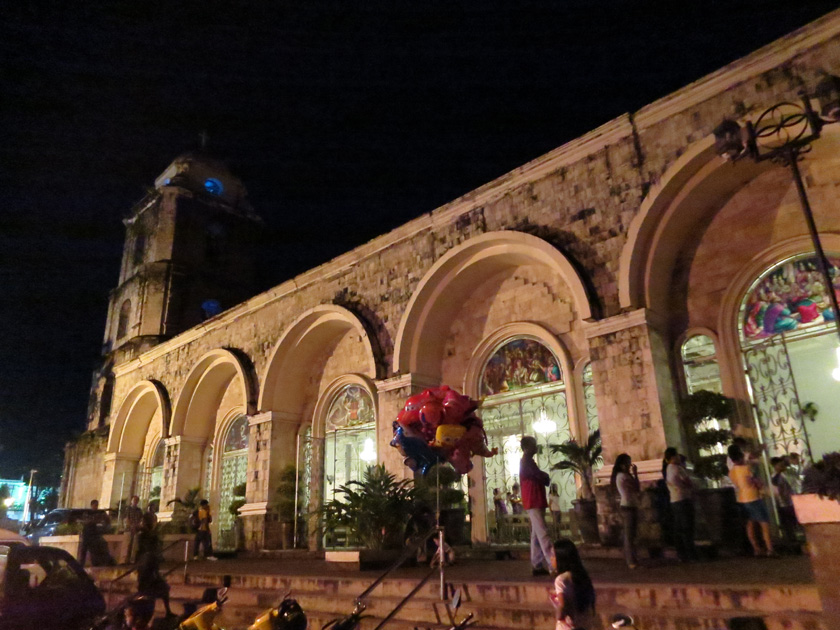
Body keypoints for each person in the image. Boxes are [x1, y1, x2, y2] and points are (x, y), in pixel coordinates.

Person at [520, 435, 557, 577]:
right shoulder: (526, 462)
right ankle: (553, 564)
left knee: (536, 535)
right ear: (526, 448)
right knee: (543, 534)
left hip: (535, 500)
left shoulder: (528, 462)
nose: (536, 447)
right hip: (533, 500)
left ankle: (537, 564)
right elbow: (538, 475)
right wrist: (545, 476)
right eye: (533, 445)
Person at [729, 446, 775, 557]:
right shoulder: (747, 469)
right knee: (764, 523)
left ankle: (756, 548)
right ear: (740, 456)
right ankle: (770, 549)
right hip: (753, 497)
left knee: (750, 524)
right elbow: (755, 482)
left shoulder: (732, 472)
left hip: (742, 499)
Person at [548, 539, 596, 630]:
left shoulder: (560, 580)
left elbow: (562, 607)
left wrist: (558, 610)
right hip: (584, 624)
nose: (551, 558)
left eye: (553, 555)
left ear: (561, 558)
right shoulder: (582, 576)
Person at [664, 448, 697, 562]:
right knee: (687, 528)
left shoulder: (668, 468)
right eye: (677, 455)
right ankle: (691, 554)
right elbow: (689, 482)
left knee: (679, 528)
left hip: (674, 500)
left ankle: (681, 554)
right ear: (673, 457)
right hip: (683, 499)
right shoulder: (678, 469)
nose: (678, 457)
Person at [611, 453, 640, 569]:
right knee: (628, 535)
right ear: (622, 465)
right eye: (628, 462)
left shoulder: (625, 475)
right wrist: (634, 474)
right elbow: (635, 487)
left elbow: (636, 488)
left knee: (632, 534)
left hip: (631, 505)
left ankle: (633, 558)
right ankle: (630, 560)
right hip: (627, 506)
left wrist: (635, 474)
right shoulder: (622, 476)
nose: (629, 465)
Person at [771, 456, 799, 548]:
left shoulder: (784, 474)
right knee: (787, 523)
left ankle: (793, 539)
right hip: (784, 502)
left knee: (791, 522)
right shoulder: (775, 477)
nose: (782, 466)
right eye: (779, 465)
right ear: (775, 466)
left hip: (788, 501)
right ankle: (791, 540)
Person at [136, 548, 173, 616]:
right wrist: (162, 581)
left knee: (163, 588)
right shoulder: (152, 563)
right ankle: (168, 611)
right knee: (164, 591)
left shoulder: (142, 563)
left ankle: (167, 611)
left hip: (142, 588)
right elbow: (155, 576)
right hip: (150, 588)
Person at [79, 499, 114, 567]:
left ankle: (95, 563)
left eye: (97, 505)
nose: (96, 507)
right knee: (84, 549)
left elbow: (107, 520)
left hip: (94, 533)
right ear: (92, 505)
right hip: (87, 533)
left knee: (94, 549)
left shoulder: (99, 513)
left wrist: (103, 525)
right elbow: (85, 521)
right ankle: (81, 564)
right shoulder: (87, 513)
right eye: (95, 505)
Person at [123, 495, 143, 563]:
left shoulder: (139, 510)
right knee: (127, 545)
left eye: (137, 500)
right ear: (131, 501)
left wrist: (137, 526)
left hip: (136, 530)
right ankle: (126, 560)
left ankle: (132, 560)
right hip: (129, 529)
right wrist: (132, 526)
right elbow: (126, 519)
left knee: (134, 546)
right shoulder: (128, 509)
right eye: (134, 500)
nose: (135, 502)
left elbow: (141, 519)